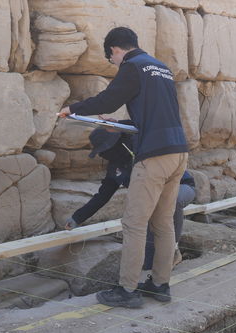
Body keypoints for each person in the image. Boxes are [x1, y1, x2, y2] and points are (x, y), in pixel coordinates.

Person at [58, 27, 189, 308]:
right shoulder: (161, 67)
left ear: (116, 50)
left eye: (111, 59)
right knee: (163, 223)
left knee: (134, 223)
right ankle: (160, 285)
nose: (114, 64)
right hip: (178, 152)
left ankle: (127, 291)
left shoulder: (132, 66)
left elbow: (109, 99)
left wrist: (74, 109)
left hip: (153, 155)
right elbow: (156, 114)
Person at [64, 128, 196, 271]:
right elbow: (102, 196)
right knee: (148, 263)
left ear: (115, 144)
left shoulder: (144, 147)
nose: (103, 155)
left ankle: (173, 251)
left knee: (170, 202)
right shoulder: (115, 168)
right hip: (152, 204)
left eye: (104, 150)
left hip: (183, 187)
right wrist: (77, 218)